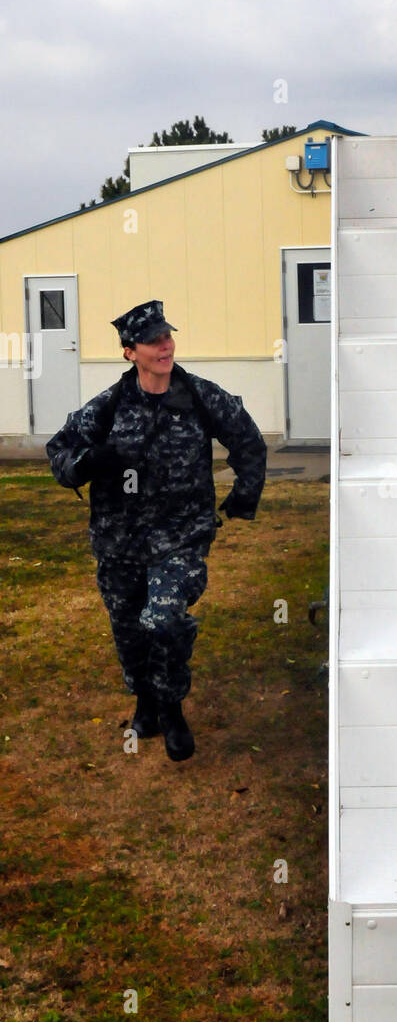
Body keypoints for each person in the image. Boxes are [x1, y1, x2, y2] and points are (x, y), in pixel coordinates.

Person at [46, 301, 268, 761]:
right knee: (128, 631)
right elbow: (60, 452)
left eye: (167, 336)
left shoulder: (200, 396)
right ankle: (145, 701)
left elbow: (248, 439)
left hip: (180, 538)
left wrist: (244, 496)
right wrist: (86, 463)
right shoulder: (108, 406)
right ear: (130, 352)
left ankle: (171, 707)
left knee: (163, 619)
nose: (164, 346)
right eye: (152, 341)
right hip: (119, 543)